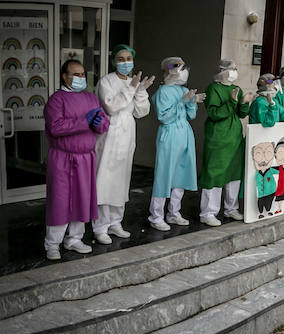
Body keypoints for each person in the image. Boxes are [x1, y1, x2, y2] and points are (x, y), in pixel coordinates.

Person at [43, 59, 110, 260]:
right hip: (62, 157)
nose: (80, 78)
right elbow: (56, 127)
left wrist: (99, 123)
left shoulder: (91, 98)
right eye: (75, 74)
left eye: (82, 74)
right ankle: (52, 243)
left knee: (82, 199)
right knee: (60, 200)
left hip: (85, 158)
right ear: (64, 76)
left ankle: (74, 239)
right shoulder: (56, 100)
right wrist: (85, 121)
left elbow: (103, 123)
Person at [92, 44, 154, 243]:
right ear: (113, 61)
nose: (126, 63)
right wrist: (131, 88)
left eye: (129, 59)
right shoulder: (106, 81)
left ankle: (116, 222)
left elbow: (141, 111)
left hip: (127, 134)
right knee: (104, 180)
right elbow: (110, 106)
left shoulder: (132, 82)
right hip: (108, 134)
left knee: (121, 179)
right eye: (121, 59)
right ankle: (100, 226)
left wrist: (141, 91)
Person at [150, 58, 201, 231]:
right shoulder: (164, 91)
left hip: (184, 133)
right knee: (164, 174)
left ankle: (174, 212)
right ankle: (156, 216)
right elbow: (164, 117)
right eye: (180, 68)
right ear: (170, 71)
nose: (184, 71)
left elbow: (191, 115)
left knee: (181, 173)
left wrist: (192, 102)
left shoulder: (184, 89)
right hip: (169, 133)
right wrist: (181, 102)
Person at [198, 59, 249, 226]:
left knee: (234, 173)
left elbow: (241, 114)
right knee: (215, 173)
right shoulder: (213, 88)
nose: (235, 71)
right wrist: (232, 102)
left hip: (234, 137)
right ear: (222, 70)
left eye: (236, 68)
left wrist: (244, 102)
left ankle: (231, 208)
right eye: (232, 68)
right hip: (218, 137)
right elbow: (214, 113)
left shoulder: (237, 89)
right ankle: (208, 212)